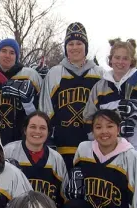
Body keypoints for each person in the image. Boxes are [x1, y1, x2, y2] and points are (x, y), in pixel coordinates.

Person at [83, 38, 137, 176]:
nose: (120, 62)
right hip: (109, 157)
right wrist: (113, 131)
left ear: (131, 61)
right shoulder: (100, 88)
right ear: (110, 60)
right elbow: (88, 123)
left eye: (125, 58)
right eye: (117, 57)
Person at [40, 22, 104, 171]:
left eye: (79, 43)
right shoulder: (55, 73)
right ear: (66, 47)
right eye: (71, 43)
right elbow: (45, 109)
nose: (75, 47)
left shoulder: (99, 74)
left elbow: (106, 109)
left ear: (85, 47)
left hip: (93, 147)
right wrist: (47, 138)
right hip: (61, 148)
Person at [3, 112, 66, 208]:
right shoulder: (9, 151)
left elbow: (63, 196)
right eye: (33, 127)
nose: (37, 131)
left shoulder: (56, 159)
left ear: (48, 132)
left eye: (42, 128)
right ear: (25, 130)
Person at [0, 38, 43, 145]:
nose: (7, 55)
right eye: (3, 51)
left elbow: (42, 109)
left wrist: (28, 101)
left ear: (16, 56)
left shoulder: (30, 75)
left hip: (25, 141)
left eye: (12, 52)